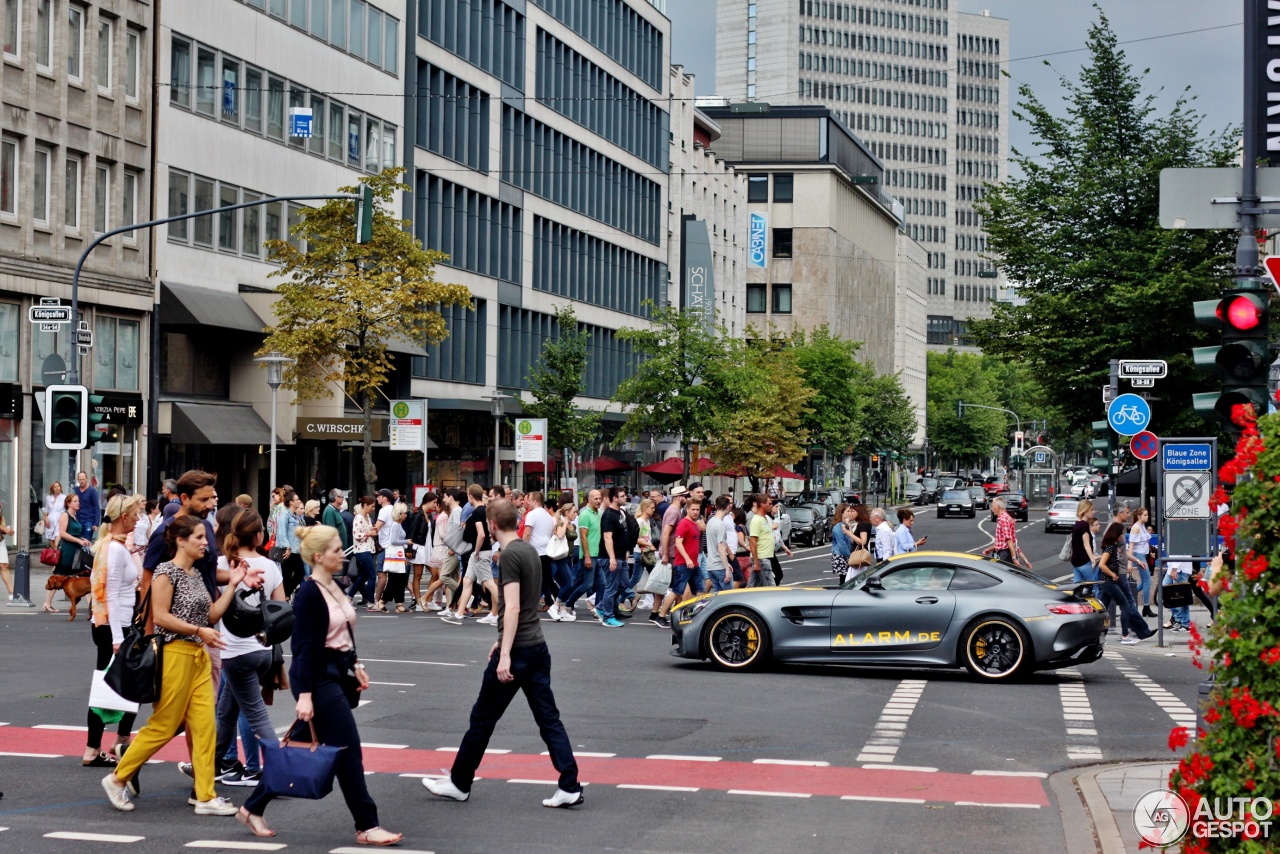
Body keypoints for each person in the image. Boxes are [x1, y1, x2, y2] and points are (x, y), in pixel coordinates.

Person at [237, 525, 402, 845]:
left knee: (298, 748)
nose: (342, 553)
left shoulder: (335, 586)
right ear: (318, 557)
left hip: (337, 673)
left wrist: (356, 664)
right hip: (317, 678)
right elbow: (305, 647)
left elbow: (344, 630)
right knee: (348, 749)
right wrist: (306, 696)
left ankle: (251, 807)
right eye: (336, 549)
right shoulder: (311, 592)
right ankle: (367, 825)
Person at [423, 498, 584, 810]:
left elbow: (510, 605)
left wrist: (505, 652)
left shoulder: (509, 554)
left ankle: (459, 782)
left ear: (493, 525)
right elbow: (526, 604)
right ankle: (569, 783)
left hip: (519, 650)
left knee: (482, 718)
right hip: (537, 646)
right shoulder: (528, 551)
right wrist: (502, 641)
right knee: (548, 719)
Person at [101, 514, 262, 815]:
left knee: (204, 726)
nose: (206, 543)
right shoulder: (166, 572)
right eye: (200, 538)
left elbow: (211, 615)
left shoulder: (197, 575)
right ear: (180, 540)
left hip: (198, 656)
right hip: (175, 654)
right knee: (163, 726)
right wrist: (199, 631)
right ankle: (117, 777)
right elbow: (160, 617)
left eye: (206, 537)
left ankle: (205, 796)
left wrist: (233, 586)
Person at [213, 509, 285, 790]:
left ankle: (278, 770)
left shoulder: (223, 564)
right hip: (263, 650)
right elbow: (282, 607)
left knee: (254, 715)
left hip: (234, 649)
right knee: (226, 713)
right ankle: (208, 767)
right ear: (258, 536)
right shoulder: (269, 566)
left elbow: (211, 605)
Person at [83, 494, 142, 769]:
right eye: (135, 514)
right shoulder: (115, 550)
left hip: (110, 625)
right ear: (123, 517)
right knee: (131, 685)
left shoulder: (113, 546)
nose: (138, 518)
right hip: (115, 627)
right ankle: (113, 743)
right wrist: (120, 637)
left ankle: (100, 746)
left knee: (111, 686)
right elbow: (112, 595)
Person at [442, 485, 498, 626]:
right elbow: (491, 533)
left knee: (488, 582)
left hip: (479, 552)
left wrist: (478, 551)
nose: (467, 498)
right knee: (467, 581)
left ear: (471, 496)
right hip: (480, 551)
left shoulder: (478, 512)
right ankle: (459, 614)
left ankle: (506, 611)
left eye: (468, 495)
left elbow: (481, 534)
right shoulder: (485, 510)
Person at [1097, 522, 1153, 644]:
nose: (1123, 536)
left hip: (1109, 581)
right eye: (1121, 533)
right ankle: (1125, 635)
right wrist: (1113, 575)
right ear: (1116, 534)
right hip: (1109, 581)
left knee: (1102, 609)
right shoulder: (1110, 547)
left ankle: (1097, 635)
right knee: (1125, 605)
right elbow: (1102, 565)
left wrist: (1136, 561)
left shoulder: (1113, 546)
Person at [45, 492, 92, 613]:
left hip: (76, 549)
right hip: (68, 549)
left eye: (78, 501)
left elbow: (75, 533)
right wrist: (78, 540)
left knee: (80, 574)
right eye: (75, 501)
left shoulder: (75, 516)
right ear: (68, 503)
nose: (78, 503)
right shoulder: (65, 516)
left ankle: (91, 606)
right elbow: (63, 533)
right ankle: (47, 603)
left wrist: (83, 539)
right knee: (60, 575)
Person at [420, 490, 460, 612]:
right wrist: (453, 540)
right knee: (443, 578)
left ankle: (449, 605)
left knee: (444, 578)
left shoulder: (444, 515)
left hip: (443, 548)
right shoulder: (443, 516)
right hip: (442, 548)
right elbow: (444, 534)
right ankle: (426, 598)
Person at [520, 491, 557, 610]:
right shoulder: (548, 515)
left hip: (535, 551)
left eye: (529, 500)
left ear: (535, 501)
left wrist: (522, 549)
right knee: (545, 578)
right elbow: (551, 532)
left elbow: (527, 533)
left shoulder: (532, 514)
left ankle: (560, 598)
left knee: (537, 579)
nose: (528, 502)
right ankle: (553, 600)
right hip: (546, 550)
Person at [547, 502, 581, 622]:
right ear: (566, 513)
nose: (576, 514)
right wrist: (565, 522)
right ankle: (555, 606)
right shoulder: (561, 523)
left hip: (569, 558)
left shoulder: (573, 526)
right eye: (573, 512)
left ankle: (562, 610)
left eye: (576, 512)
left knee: (565, 585)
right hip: (560, 559)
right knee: (569, 584)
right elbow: (560, 536)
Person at [406, 493, 437, 611]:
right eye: (433, 502)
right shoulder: (417, 515)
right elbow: (412, 532)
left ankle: (426, 599)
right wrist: (409, 549)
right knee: (417, 576)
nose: (435, 505)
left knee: (436, 574)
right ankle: (419, 602)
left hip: (427, 547)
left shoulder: (426, 514)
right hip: (419, 548)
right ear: (427, 501)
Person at [983, 497, 1030, 569]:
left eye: (992, 506)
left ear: (998, 507)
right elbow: (1004, 542)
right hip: (1003, 553)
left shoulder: (1003, 520)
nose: (991, 508)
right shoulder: (1005, 518)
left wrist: (1014, 558)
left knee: (1003, 575)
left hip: (1004, 554)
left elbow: (1009, 540)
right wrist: (989, 549)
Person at [1127, 507, 1155, 617]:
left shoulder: (1142, 526)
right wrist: (1130, 563)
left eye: (1147, 515)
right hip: (1139, 556)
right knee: (1147, 580)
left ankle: (1128, 595)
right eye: (1145, 515)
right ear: (1139, 516)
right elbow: (1131, 546)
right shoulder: (1136, 528)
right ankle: (1146, 607)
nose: (1147, 517)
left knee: (1145, 582)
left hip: (1144, 555)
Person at [1069, 500, 1099, 592]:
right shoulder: (1084, 524)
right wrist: (1093, 559)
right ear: (1085, 511)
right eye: (1092, 510)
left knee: (1077, 587)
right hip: (1084, 561)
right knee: (1094, 586)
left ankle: (1075, 605)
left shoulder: (1077, 523)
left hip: (1075, 561)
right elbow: (1086, 545)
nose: (1093, 512)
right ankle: (1095, 606)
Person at [280, 495, 305, 597]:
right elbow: (282, 532)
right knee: (287, 575)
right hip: (288, 550)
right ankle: (285, 596)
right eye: (297, 499)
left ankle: (285, 595)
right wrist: (287, 547)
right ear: (291, 502)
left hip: (296, 549)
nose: (299, 501)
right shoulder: (285, 515)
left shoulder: (296, 516)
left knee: (300, 572)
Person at [846, 505, 874, 582]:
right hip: (857, 555)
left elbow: (863, 541)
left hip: (859, 555)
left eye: (853, 511)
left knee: (853, 580)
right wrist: (849, 527)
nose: (850, 513)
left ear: (859, 513)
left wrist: (849, 533)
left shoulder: (863, 525)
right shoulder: (859, 524)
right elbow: (854, 539)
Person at [75, 470, 102, 540]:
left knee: (86, 542)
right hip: (78, 520)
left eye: (83, 479)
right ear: (77, 480)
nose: (82, 481)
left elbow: (97, 507)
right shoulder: (76, 490)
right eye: (80, 479)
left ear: (87, 479)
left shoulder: (92, 491)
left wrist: (96, 523)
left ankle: (86, 551)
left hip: (89, 520)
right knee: (78, 541)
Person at [830, 503, 853, 581]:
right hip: (840, 555)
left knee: (847, 578)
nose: (850, 513)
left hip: (845, 555)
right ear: (842, 513)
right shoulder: (838, 527)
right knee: (844, 578)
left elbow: (851, 539)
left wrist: (849, 526)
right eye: (848, 511)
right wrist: (850, 556)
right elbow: (842, 544)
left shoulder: (845, 525)